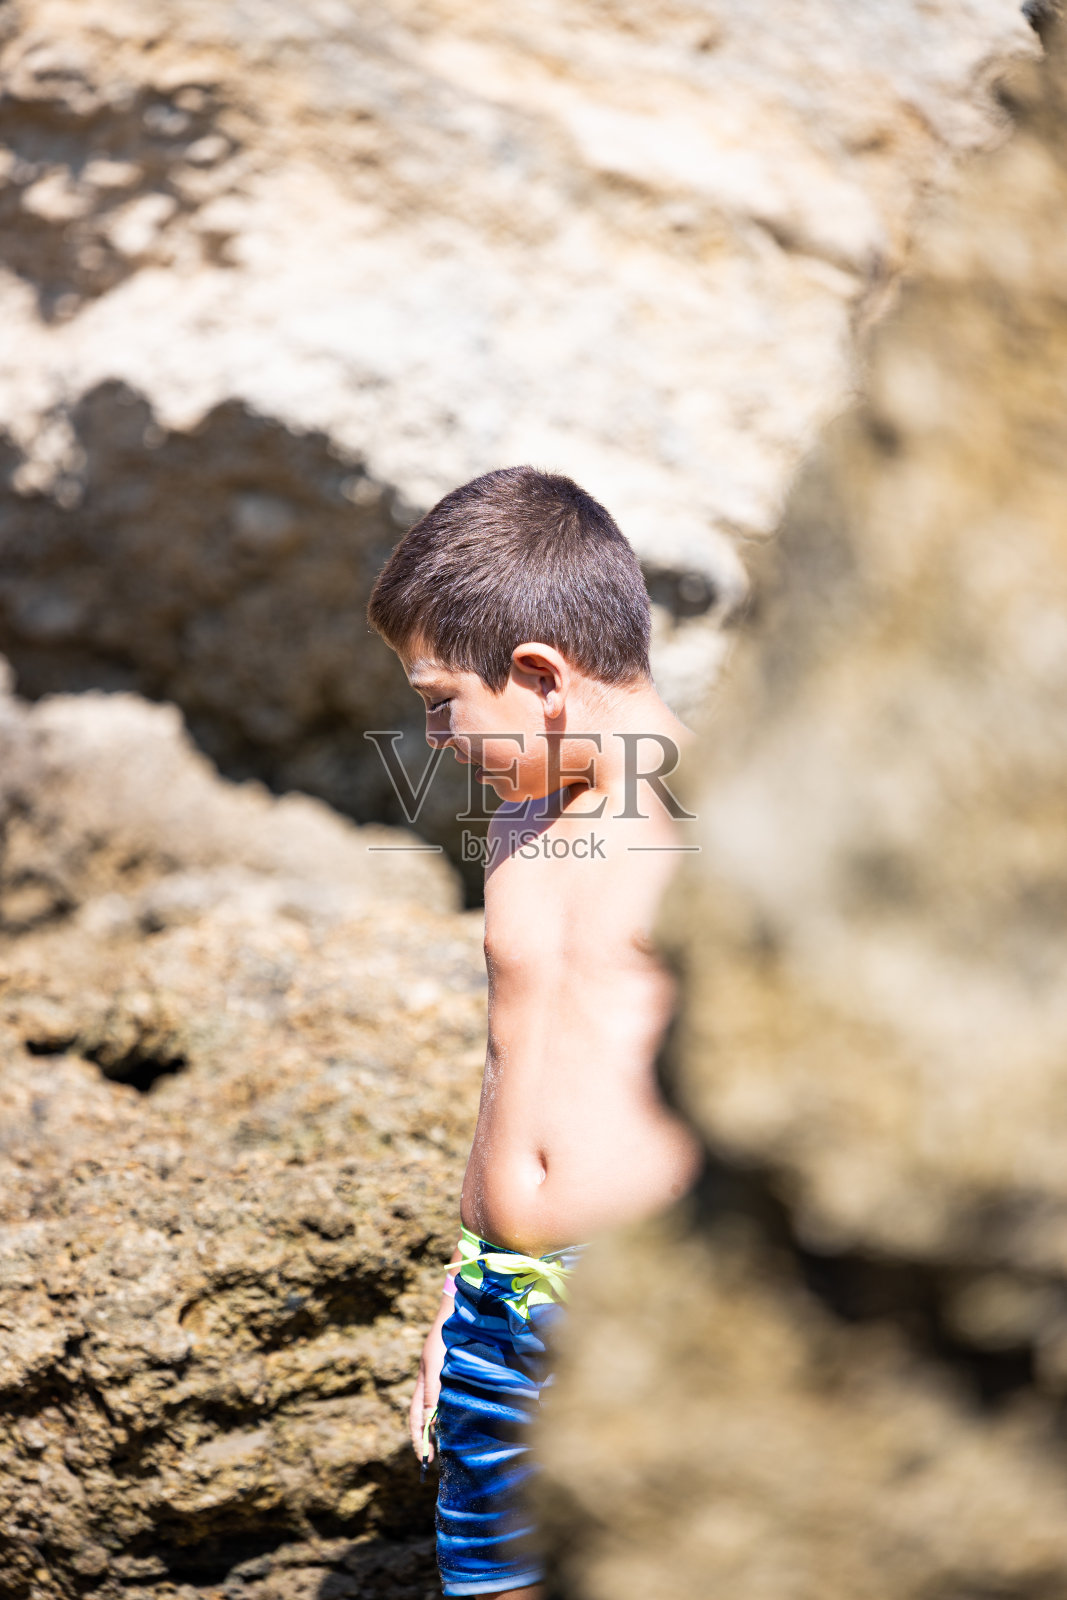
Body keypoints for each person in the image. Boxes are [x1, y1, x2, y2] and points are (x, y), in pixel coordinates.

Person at [367, 466, 703, 1598]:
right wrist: (463, 1287)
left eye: (441, 701)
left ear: (540, 676)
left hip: (646, 1307)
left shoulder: (716, 825)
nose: (431, 738)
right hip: (494, 1310)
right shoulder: (516, 827)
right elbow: (513, 1060)